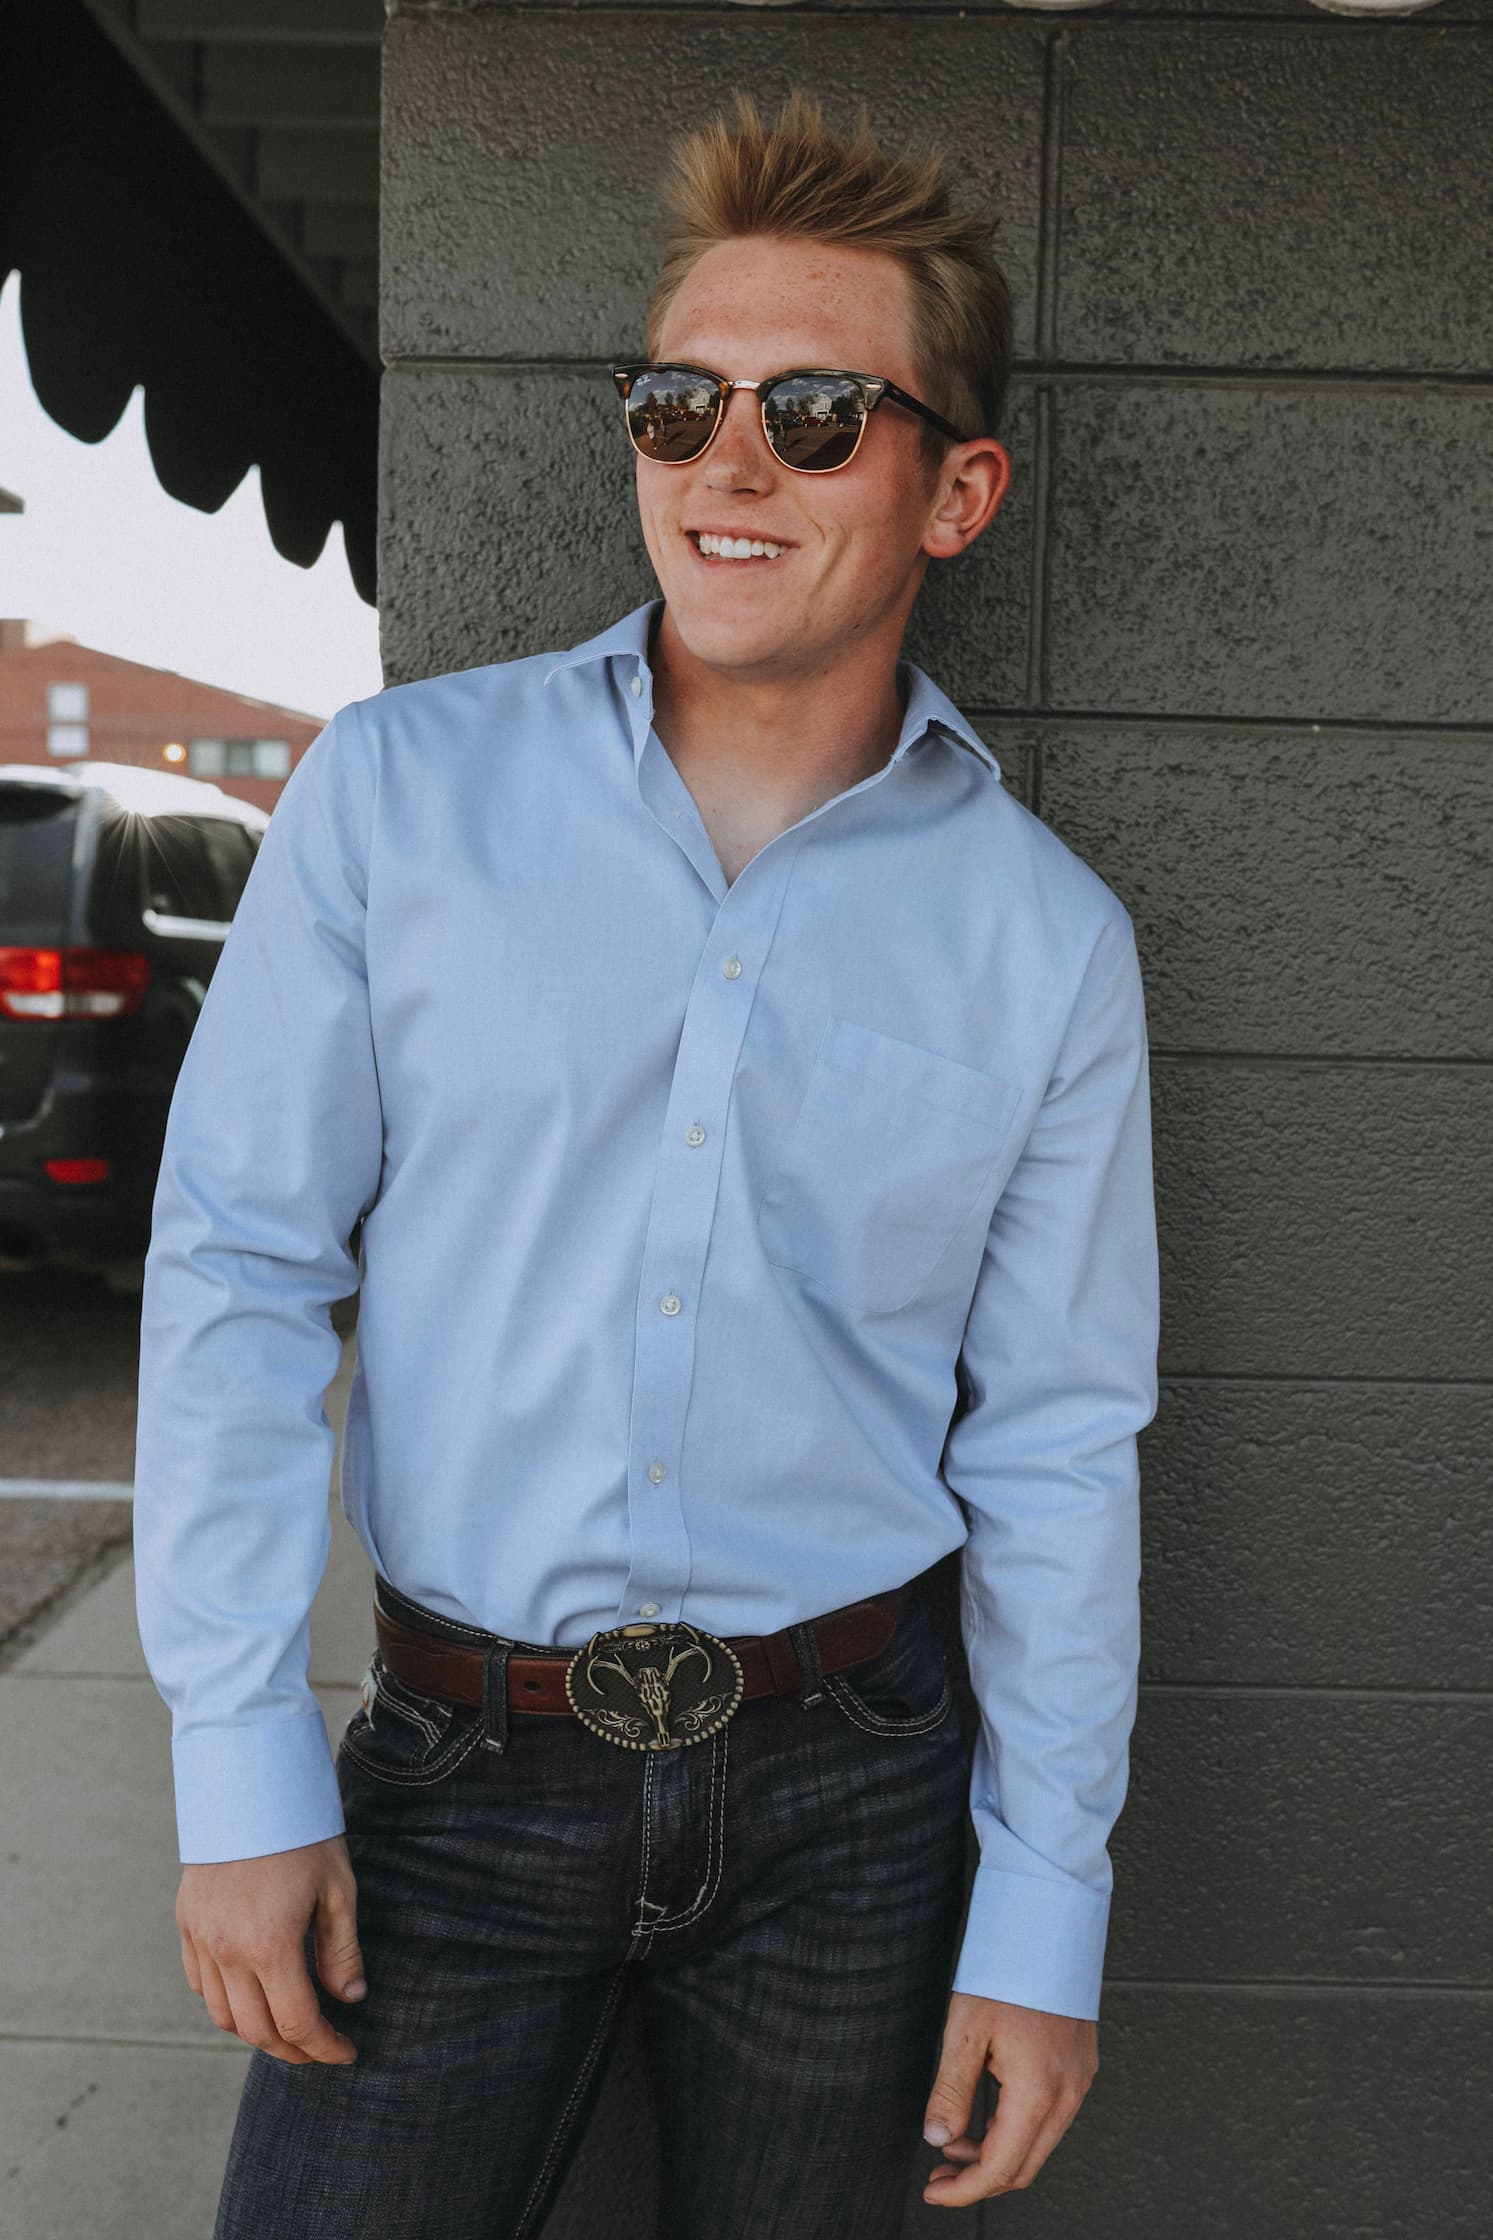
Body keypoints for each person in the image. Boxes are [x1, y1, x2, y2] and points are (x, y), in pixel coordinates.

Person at [134, 85, 1159, 2240]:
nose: (727, 457)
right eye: (681, 396)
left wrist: (1042, 1907)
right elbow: (239, 1265)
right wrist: (234, 1760)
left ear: (955, 489)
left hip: (854, 1801)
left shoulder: (1046, 940)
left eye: (814, 411)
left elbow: (1059, 1438)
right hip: (451, 1768)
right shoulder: (401, 797)